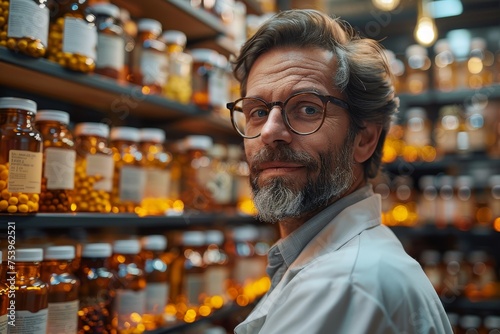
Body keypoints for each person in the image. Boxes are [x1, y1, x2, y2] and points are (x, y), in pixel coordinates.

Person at [225, 9, 453, 334]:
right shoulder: (335, 264)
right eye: (257, 111)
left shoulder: (346, 285)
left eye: (307, 108)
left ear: (364, 138)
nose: (270, 131)